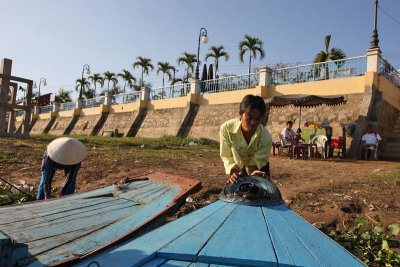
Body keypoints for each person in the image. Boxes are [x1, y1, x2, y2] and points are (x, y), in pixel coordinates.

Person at [220, 94, 272, 184]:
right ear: (240, 114)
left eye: (257, 119)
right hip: (238, 167)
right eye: (249, 118)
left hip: (258, 167)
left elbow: (257, 161)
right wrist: (233, 172)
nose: (253, 122)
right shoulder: (227, 129)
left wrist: (254, 174)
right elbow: (226, 155)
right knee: (238, 190)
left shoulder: (266, 137)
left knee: (261, 191)